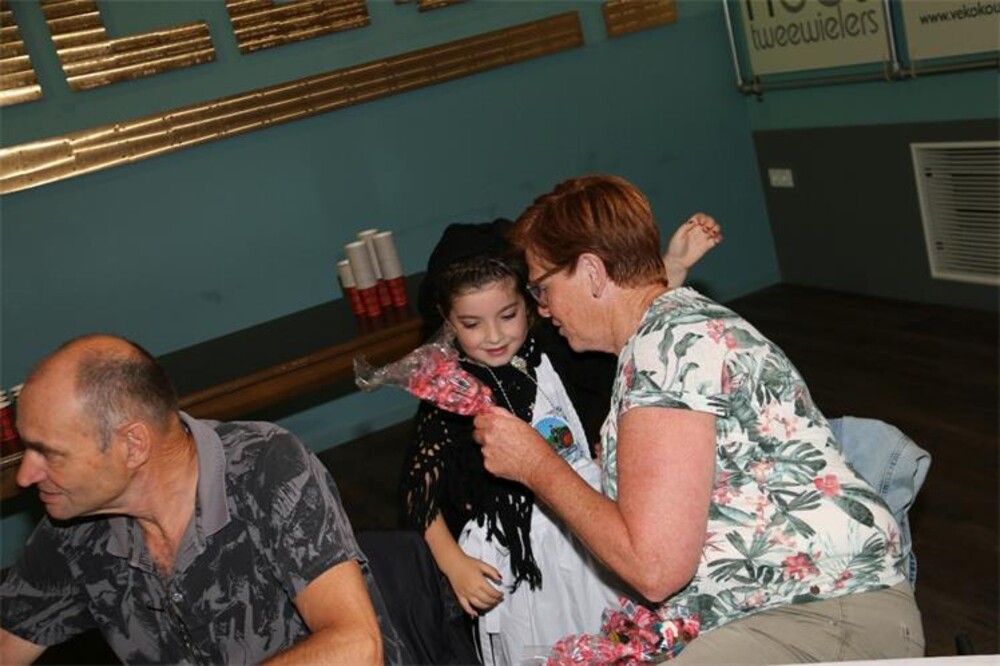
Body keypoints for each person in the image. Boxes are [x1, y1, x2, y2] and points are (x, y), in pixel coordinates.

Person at [473, 174, 925, 663]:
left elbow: (655, 569)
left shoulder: (665, 350)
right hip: (789, 609)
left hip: (821, 615)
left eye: (542, 289)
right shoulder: (673, 326)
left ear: (592, 272)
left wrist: (537, 465)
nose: (543, 309)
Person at [399, 214, 720, 665]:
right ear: (448, 322)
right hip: (522, 562)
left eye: (508, 315)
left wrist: (674, 266)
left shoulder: (554, 348)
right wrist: (453, 563)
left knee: (620, 636)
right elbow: (418, 492)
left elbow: (626, 325)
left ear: (531, 304)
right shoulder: (452, 392)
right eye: (472, 324)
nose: (494, 335)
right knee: (548, 643)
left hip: (590, 521)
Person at [0, 335, 410, 665]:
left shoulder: (264, 466)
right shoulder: (71, 531)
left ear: (133, 445)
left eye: (49, 453)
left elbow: (356, 647)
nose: (25, 476)